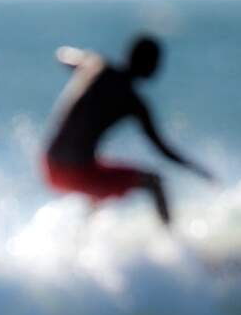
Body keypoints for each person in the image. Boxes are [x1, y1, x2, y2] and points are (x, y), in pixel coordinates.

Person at [43, 34, 214, 227]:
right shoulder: (134, 103)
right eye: (156, 61)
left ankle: (81, 236)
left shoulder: (95, 66)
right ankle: (172, 240)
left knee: (99, 186)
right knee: (154, 182)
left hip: (50, 162)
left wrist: (78, 64)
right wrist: (197, 169)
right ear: (147, 63)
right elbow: (161, 148)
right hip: (77, 171)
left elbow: (63, 54)